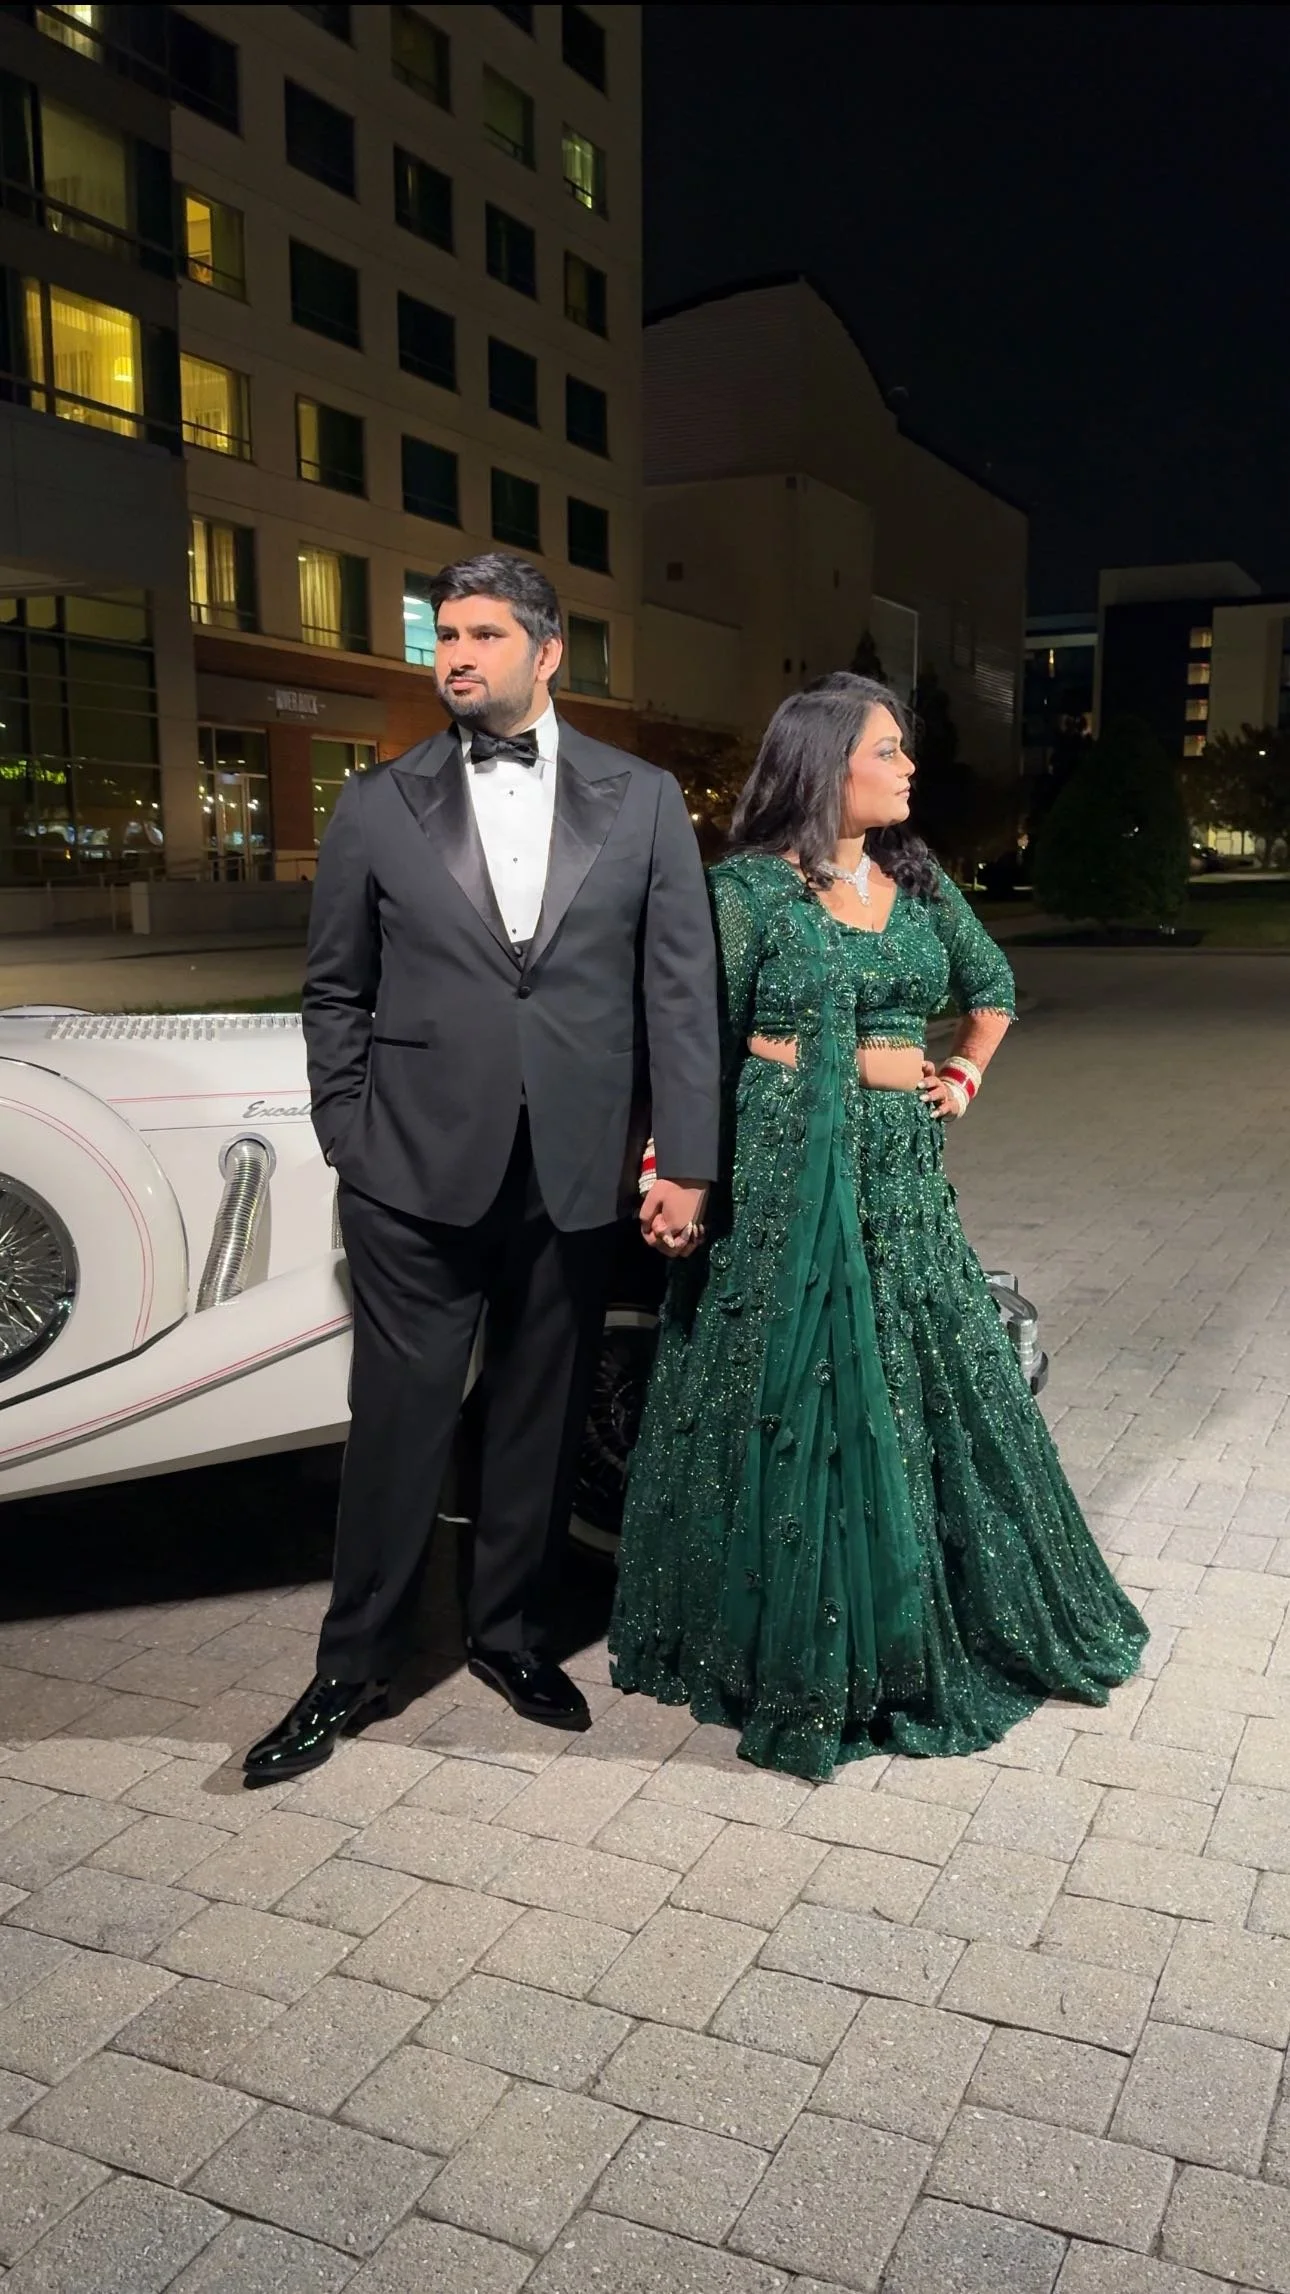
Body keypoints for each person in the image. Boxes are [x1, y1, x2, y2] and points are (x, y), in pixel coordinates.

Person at [610, 672, 1147, 1780]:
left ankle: (913, 1612)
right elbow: (691, 1036)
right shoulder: (749, 891)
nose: (909, 769)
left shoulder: (918, 879)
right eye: (888, 750)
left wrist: (963, 1072)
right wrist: (673, 1169)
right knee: (801, 1379)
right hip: (784, 1163)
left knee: (913, 1369)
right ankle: (794, 1643)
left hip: (900, 1164)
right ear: (825, 765)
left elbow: (992, 986)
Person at [245, 553, 720, 1783]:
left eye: (481, 634)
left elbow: (681, 993)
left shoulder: (644, 799)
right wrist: (350, 1134)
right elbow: (334, 988)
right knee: (396, 1423)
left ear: (547, 651)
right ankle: (353, 1663)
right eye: (443, 634)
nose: (453, 655)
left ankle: (510, 1635)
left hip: (574, 1164)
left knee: (539, 1414)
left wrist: (686, 1159)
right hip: (410, 1171)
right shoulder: (377, 802)